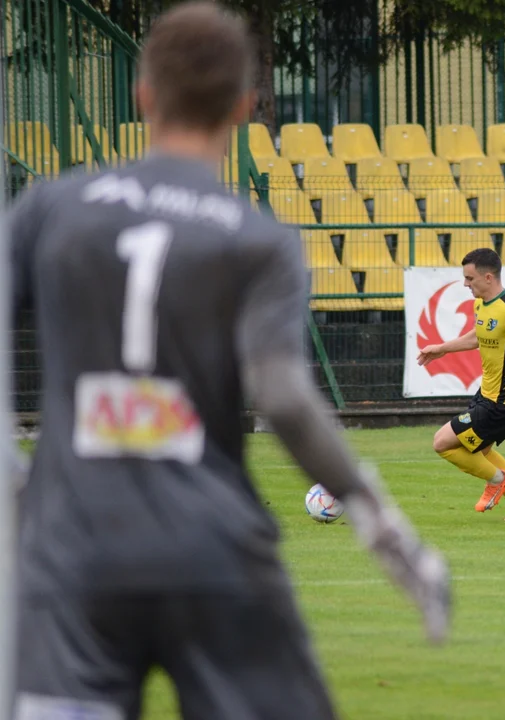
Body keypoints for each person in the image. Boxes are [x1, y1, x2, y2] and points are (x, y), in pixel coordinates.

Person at [5, 4, 449, 719]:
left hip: (72, 550)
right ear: (245, 106)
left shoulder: (49, 208)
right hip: (209, 548)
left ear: (144, 95)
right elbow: (282, 397)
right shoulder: (257, 238)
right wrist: (382, 523)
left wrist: (16, 477)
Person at [418, 248, 505, 521]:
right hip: (486, 394)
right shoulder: (481, 304)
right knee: (480, 451)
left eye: (470, 278)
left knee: (443, 443)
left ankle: (498, 480)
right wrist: (443, 349)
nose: (465, 284)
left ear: (488, 277)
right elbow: (477, 336)